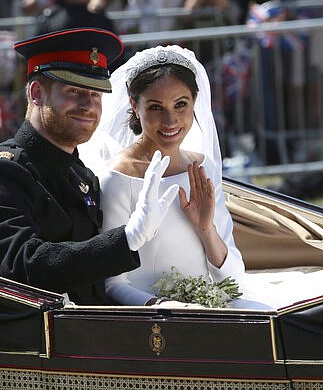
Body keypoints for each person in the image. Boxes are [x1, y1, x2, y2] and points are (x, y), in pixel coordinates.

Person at [0, 28, 179, 306]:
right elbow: (27, 268)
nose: (88, 105)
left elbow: (94, 284)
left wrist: (152, 304)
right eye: (74, 91)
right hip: (23, 339)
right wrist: (127, 238)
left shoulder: (81, 175)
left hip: (84, 330)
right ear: (36, 93)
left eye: (96, 95)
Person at [80, 45, 245, 306]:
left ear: (195, 100)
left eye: (181, 104)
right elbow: (113, 284)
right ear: (134, 105)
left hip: (212, 307)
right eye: (156, 107)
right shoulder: (116, 177)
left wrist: (207, 230)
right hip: (152, 319)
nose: (171, 121)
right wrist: (163, 308)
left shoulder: (203, 168)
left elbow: (234, 280)